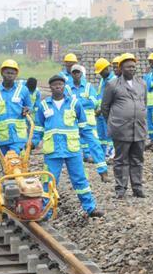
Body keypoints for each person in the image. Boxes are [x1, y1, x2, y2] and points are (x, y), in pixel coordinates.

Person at [33, 75, 104, 218]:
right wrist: (33, 143)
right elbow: (38, 128)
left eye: (60, 84)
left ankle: (90, 208)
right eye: (54, 85)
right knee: (49, 181)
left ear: (64, 86)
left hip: (72, 150)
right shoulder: (44, 105)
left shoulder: (74, 104)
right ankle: (46, 211)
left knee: (80, 179)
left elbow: (85, 128)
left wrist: (94, 148)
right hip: (52, 151)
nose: (57, 87)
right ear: (50, 87)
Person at [101, 53, 147, 198]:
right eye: (128, 67)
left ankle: (137, 188)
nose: (131, 69)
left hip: (138, 128)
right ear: (121, 68)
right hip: (121, 129)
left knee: (137, 159)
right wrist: (115, 121)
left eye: (133, 67)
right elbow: (105, 107)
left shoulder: (142, 83)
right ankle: (120, 189)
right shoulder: (112, 84)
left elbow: (144, 103)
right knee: (120, 160)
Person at [66, 65, 108, 182]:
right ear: (71, 74)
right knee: (76, 150)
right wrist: (85, 102)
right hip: (74, 124)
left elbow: (94, 103)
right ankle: (82, 177)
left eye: (78, 72)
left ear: (81, 74)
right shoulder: (67, 88)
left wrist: (77, 102)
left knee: (96, 146)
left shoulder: (89, 86)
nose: (76, 74)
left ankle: (103, 172)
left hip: (89, 124)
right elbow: (67, 104)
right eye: (74, 72)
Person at [0, 59, 32, 155]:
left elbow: (29, 106)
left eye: (13, 73)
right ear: (2, 73)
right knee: (6, 166)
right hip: (3, 138)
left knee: (16, 163)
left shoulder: (23, 90)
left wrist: (28, 110)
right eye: (8, 73)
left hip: (19, 137)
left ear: (16, 74)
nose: (10, 75)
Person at [94, 58, 117, 158]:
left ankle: (111, 155)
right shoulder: (102, 80)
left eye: (101, 71)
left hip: (108, 112)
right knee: (101, 135)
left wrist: (103, 109)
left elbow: (113, 98)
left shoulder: (114, 80)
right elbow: (99, 96)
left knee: (109, 135)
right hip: (100, 113)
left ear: (107, 69)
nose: (100, 74)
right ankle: (103, 154)